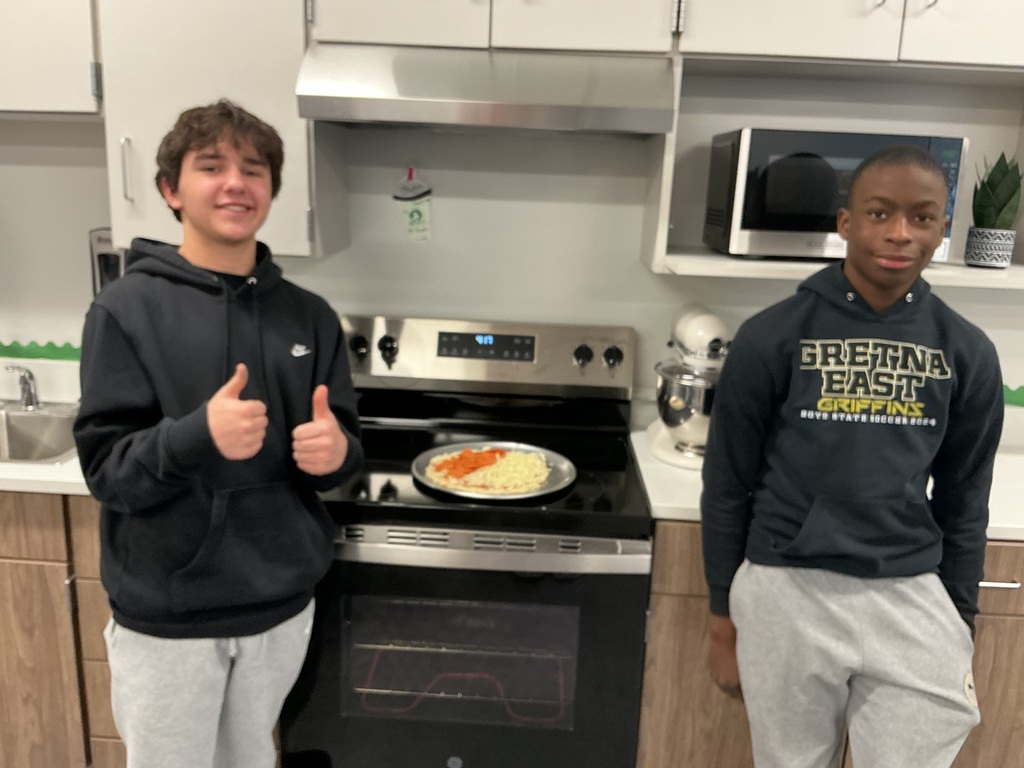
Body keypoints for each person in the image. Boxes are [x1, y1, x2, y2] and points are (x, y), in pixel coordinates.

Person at [73, 99, 364, 768]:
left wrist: (337, 451)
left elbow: (344, 442)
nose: (236, 182)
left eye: (254, 169)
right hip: (170, 616)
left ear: (271, 192)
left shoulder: (311, 317)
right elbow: (107, 470)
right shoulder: (125, 310)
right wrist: (195, 435)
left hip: (279, 610)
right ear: (171, 190)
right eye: (212, 166)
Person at [700, 144, 1004, 768]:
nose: (899, 233)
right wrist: (721, 620)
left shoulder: (967, 352)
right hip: (786, 587)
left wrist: (960, 622)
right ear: (845, 224)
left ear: (943, 230)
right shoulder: (771, 337)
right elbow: (728, 486)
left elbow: (964, 500)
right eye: (879, 213)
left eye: (922, 217)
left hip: (909, 590)